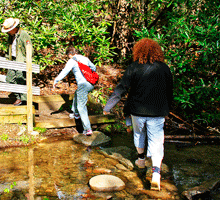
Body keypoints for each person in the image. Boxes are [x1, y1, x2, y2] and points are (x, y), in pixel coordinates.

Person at [103, 38, 173, 191]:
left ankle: (141, 161)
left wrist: (108, 106)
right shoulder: (164, 68)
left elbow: (121, 88)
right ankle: (156, 173)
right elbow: (169, 92)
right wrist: (168, 110)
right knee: (156, 141)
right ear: (157, 52)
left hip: (137, 111)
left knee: (139, 134)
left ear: (138, 51)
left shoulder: (134, 67)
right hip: (158, 111)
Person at [53, 46, 96, 136]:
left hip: (83, 85)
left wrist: (56, 80)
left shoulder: (72, 61)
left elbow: (65, 71)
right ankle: (75, 113)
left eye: (68, 55)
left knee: (82, 107)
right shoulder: (85, 58)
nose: (68, 57)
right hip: (91, 84)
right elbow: (94, 68)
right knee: (78, 93)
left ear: (70, 54)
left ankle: (87, 129)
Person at [1, 18, 33, 106]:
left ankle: (24, 99)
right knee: (10, 79)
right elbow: (9, 49)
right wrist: (7, 59)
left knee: (21, 79)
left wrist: (27, 61)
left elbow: (29, 48)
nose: (8, 32)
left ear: (14, 28)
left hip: (21, 60)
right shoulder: (10, 37)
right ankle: (18, 97)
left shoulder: (23, 35)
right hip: (13, 60)